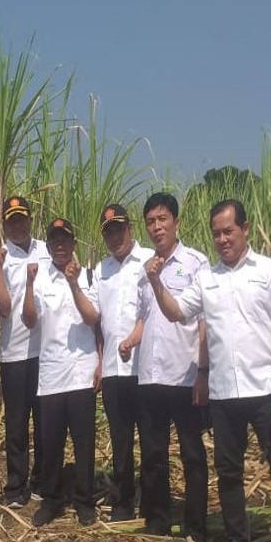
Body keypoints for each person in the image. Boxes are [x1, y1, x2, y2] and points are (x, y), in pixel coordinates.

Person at [149, 199, 271, 542]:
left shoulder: (269, 272)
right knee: (229, 473)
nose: (222, 239)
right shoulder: (207, 279)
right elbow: (176, 312)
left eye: (228, 231)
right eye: (216, 233)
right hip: (223, 395)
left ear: (245, 229)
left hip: (266, 389)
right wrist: (156, 283)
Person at [119, 192, 209, 542]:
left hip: (184, 374)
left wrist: (203, 372)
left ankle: (196, 527)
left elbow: (203, 322)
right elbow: (147, 318)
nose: (157, 227)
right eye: (151, 222)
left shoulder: (196, 263)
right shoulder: (147, 269)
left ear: (176, 222)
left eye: (162, 219)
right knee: (153, 454)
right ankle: (157, 522)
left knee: (192, 453)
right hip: (150, 376)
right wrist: (130, 341)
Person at [22, 218, 100, 527]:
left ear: (74, 243)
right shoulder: (40, 279)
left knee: (84, 443)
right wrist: (28, 284)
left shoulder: (89, 276)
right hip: (52, 375)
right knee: (51, 443)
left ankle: (84, 501)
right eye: (54, 241)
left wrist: (73, 283)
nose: (59, 245)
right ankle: (52, 500)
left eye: (64, 240)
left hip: (81, 372)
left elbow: (92, 317)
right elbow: (30, 320)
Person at [93, 204, 154, 521]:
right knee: (120, 440)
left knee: (149, 436)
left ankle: (153, 500)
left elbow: (153, 313)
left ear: (130, 228)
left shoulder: (148, 262)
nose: (115, 236)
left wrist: (133, 339)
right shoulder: (100, 270)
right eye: (109, 231)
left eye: (119, 228)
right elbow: (97, 323)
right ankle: (122, 501)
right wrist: (101, 362)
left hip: (143, 367)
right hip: (114, 371)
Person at [0, 196, 50, 507]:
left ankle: (42, 480)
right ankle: (15, 486)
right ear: (4, 223)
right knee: (16, 423)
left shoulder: (47, 249)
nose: (17, 225)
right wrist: (0, 269)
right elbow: (2, 307)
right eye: (11, 220)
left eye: (21, 218)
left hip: (46, 351)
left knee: (44, 420)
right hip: (14, 353)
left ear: (30, 218)